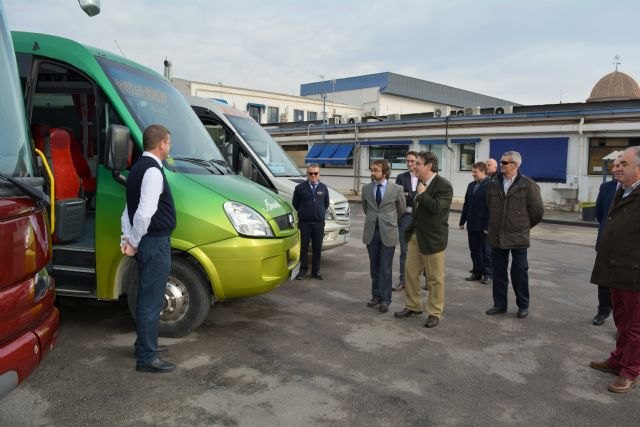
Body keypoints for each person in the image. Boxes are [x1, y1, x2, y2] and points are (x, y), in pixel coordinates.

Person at [121, 124, 176, 373]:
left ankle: (144, 345)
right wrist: (132, 241)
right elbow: (143, 214)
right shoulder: (153, 171)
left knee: (146, 296)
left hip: (146, 242)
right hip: (154, 243)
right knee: (151, 300)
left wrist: (128, 237)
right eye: (169, 142)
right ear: (161, 143)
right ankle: (147, 357)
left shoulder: (136, 169)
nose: (169, 146)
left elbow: (127, 211)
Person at [590, 146, 640, 393]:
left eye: (624, 164)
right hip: (615, 268)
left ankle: (630, 370)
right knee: (621, 320)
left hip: (634, 272)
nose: (616, 167)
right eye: (617, 163)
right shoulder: (620, 190)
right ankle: (618, 359)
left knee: (635, 326)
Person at [394, 152, 453, 328]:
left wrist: (423, 194)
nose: (414, 166)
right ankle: (413, 305)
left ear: (429, 166)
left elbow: (437, 208)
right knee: (411, 273)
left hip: (433, 239)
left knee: (435, 278)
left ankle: (434, 312)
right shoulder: (421, 183)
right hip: (415, 236)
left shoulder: (444, 186)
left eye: (418, 163)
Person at [485, 151, 543, 319]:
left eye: (505, 162)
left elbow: (537, 212)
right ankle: (499, 304)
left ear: (516, 165)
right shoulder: (493, 183)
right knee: (499, 272)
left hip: (518, 237)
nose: (501, 165)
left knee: (520, 273)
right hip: (497, 235)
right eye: (501, 162)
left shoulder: (528, 185)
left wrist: (522, 226)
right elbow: (489, 205)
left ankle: (523, 305)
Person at [362, 160, 406, 313]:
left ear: (385, 172)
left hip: (388, 232)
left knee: (385, 268)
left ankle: (386, 300)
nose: (373, 173)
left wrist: (388, 220)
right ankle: (376, 296)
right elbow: (365, 208)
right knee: (374, 267)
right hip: (371, 232)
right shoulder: (366, 188)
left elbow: (401, 209)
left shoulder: (397, 189)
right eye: (372, 170)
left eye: (376, 170)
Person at [592, 156, 622, 326]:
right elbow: (599, 213)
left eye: (621, 165)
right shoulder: (606, 187)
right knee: (603, 279)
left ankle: (623, 321)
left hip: (628, 247)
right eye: (615, 166)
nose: (617, 169)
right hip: (605, 241)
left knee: (624, 284)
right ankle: (603, 310)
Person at [292, 163, 330, 280]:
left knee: (317, 248)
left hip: (318, 224)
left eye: (316, 173)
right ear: (307, 174)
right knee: (303, 248)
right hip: (304, 223)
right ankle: (302, 270)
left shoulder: (323, 188)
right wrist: (305, 212)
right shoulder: (300, 188)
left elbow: (326, 204)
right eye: (311, 173)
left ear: (319, 174)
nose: (313, 175)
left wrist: (318, 214)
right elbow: (295, 204)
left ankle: (316, 271)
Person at [459, 162, 492, 285]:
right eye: (472, 171)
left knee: (486, 251)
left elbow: (492, 208)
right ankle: (477, 272)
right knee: (474, 250)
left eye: (475, 172)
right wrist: (462, 221)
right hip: (472, 224)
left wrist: (488, 226)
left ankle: (488, 274)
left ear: (483, 172)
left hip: (484, 225)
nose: (473, 174)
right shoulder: (471, 185)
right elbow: (467, 204)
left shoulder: (491, 185)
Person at [393, 151, 419, 291]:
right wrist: (413, 195)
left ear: (417, 161)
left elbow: (421, 196)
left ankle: (427, 280)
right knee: (404, 250)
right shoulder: (401, 177)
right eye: (408, 161)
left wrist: (409, 194)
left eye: (413, 161)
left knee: (423, 250)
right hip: (405, 217)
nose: (410, 163)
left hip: (421, 219)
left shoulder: (423, 176)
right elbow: (399, 197)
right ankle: (403, 280)